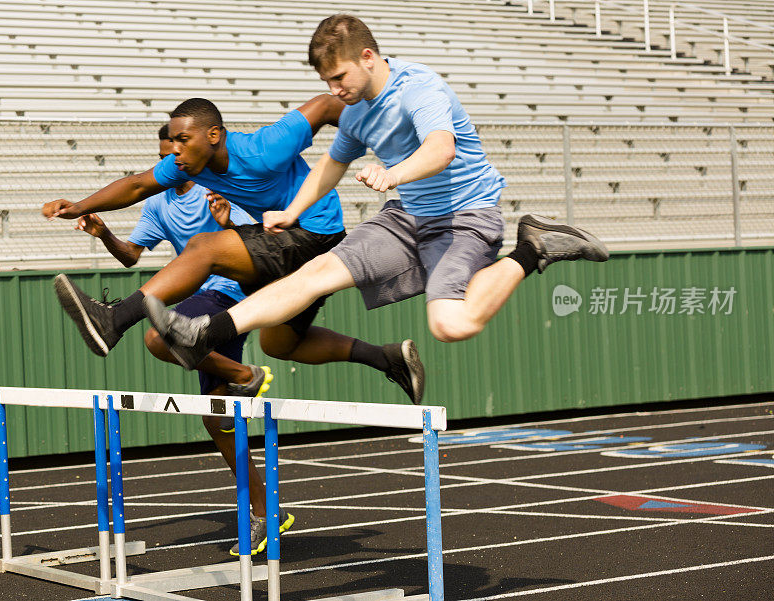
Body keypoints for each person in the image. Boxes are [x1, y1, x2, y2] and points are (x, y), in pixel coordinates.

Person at [140, 14, 609, 371]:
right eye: (326, 82)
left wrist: (395, 174)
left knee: (451, 325)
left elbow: (441, 148)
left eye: (339, 77)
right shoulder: (357, 111)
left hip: (464, 215)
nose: (334, 90)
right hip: (405, 218)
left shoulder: (417, 88)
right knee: (317, 272)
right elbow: (331, 163)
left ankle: (534, 247)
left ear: (368, 57)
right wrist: (291, 211)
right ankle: (201, 333)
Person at [41, 94, 425, 406]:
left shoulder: (264, 148)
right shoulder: (185, 166)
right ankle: (387, 358)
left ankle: (115, 321)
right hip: (285, 238)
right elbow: (138, 186)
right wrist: (80, 206)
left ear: (213, 135)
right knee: (279, 343)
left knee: (205, 247)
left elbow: (325, 104)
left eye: (182, 140)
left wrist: (386, 139)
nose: (174, 151)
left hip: (313, 231)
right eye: (171, 142)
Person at [70, 123, 289, 557]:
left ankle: (247, 373)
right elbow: (133, 254)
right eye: (168, 156)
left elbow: (260, 243)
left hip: (230, 295)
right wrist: (104, 234)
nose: (175, 161)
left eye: (179, 152)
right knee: (217, 419)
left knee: (156, 338)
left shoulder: (219, 183)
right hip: (195, 307)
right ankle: (269, 511)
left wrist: (229, 221)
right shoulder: (158, 204)